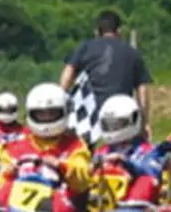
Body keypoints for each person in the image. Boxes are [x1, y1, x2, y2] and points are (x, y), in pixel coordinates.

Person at [0, 82, 92, 212]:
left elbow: (82, 178)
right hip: (20, 192)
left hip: (56, 195)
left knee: (58, 202)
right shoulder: (18, 146)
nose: (47, 118)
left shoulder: (75, 145)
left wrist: (62, 166)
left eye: (52, 113)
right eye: (41, 114)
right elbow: (1, 179)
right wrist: (9, 172)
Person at [59, 9, 153, 141]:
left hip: (89, 114)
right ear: (119, 31)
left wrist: (61, 100)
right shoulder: (132, 53)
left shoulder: (85, 47)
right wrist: (145, 122)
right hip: (121, 115)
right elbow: (142, 90)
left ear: (97, 31)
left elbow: (68, 74)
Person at [92, 94, 169, 205]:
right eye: (109, 124)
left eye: (117, 124)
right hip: (101, 196)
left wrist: (126, 163)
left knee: (146, 181)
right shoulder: (102, 151)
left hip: (131, 198)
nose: (113, 129)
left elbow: (153, 173)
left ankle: (132, 207)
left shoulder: (148, 151)